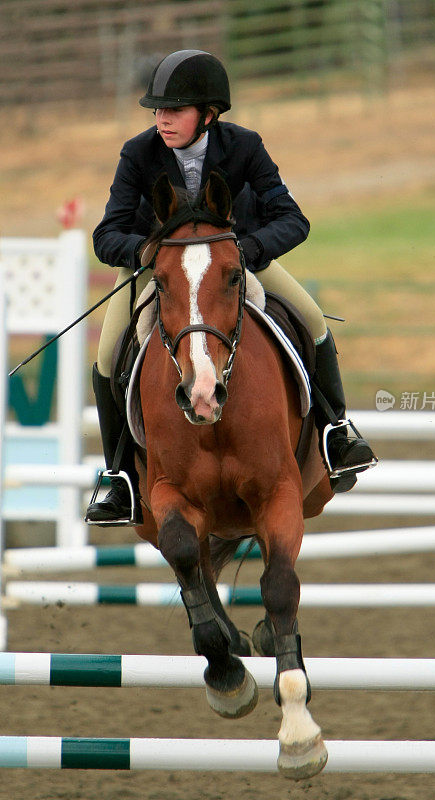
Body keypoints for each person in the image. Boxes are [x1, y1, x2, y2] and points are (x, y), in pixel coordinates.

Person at [86, 49, 376, 526]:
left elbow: (292, 219)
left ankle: (336, 431)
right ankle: (118, 476)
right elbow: (107, 233)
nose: (163, 120)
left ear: (208, 115)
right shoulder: (138, 153)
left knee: (312, 318)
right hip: (158, 269)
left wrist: (246, 251)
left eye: (174, 110)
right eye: (158, 110)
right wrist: (148, 254)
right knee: (108, 350)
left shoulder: (245, 146)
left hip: (234, 264)